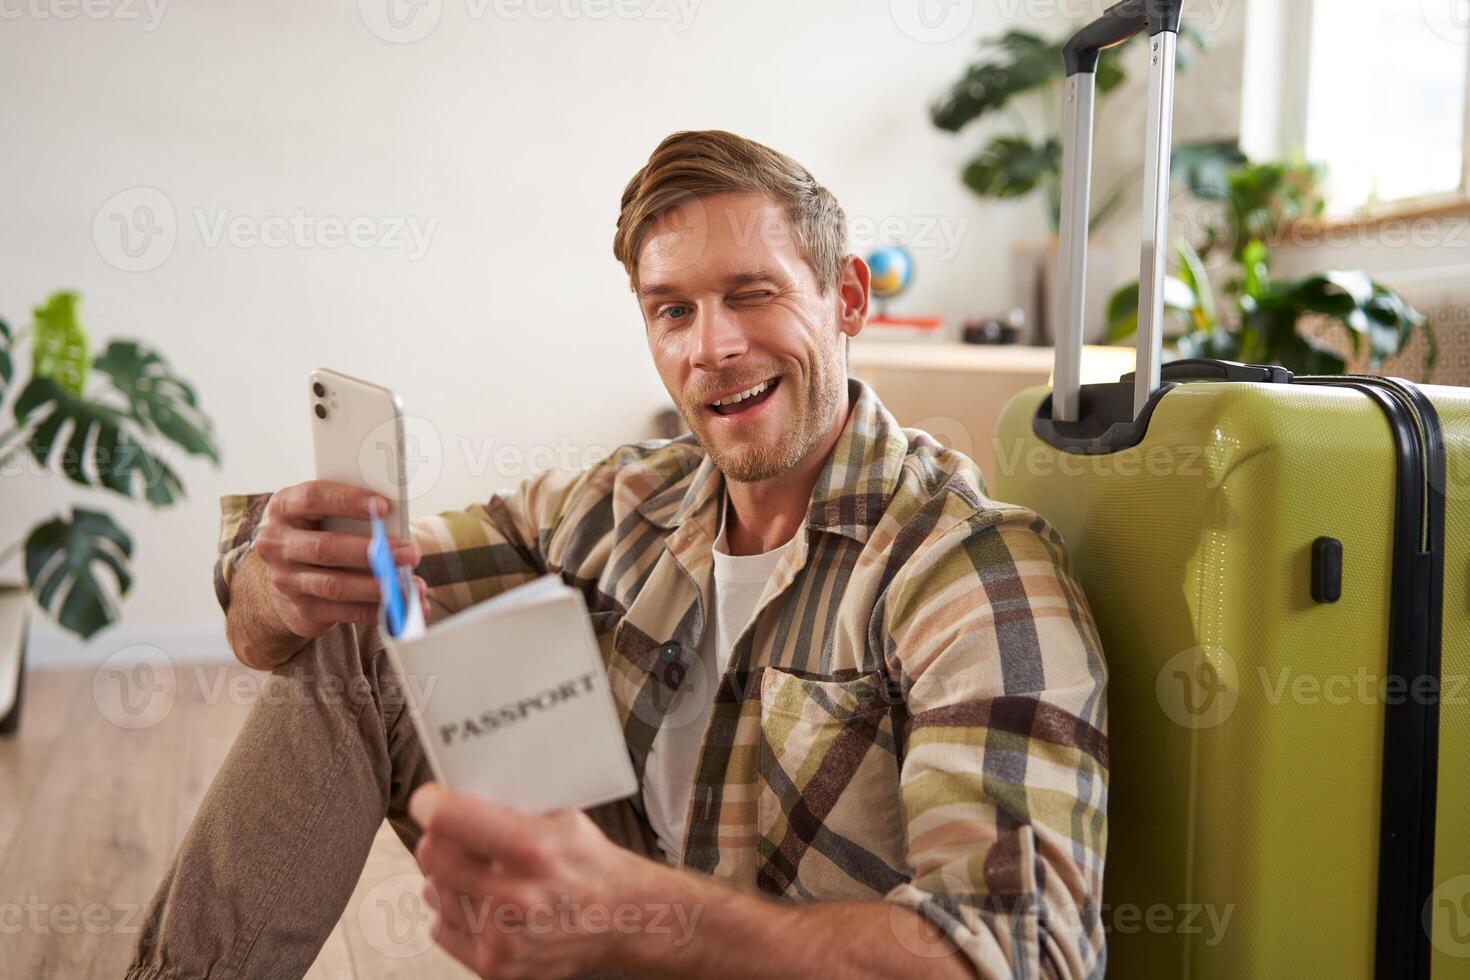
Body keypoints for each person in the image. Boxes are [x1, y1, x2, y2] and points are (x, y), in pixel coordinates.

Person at [126, 130, 1108, 980]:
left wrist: (649, 914)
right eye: (672, 309)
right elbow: (287, 615)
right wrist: (276, 575)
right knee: (356, 631)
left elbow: (1017, 955)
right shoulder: (624, 501)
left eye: (751, 294)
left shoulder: (969, 572)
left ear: (848, 296)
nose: (711, 346)